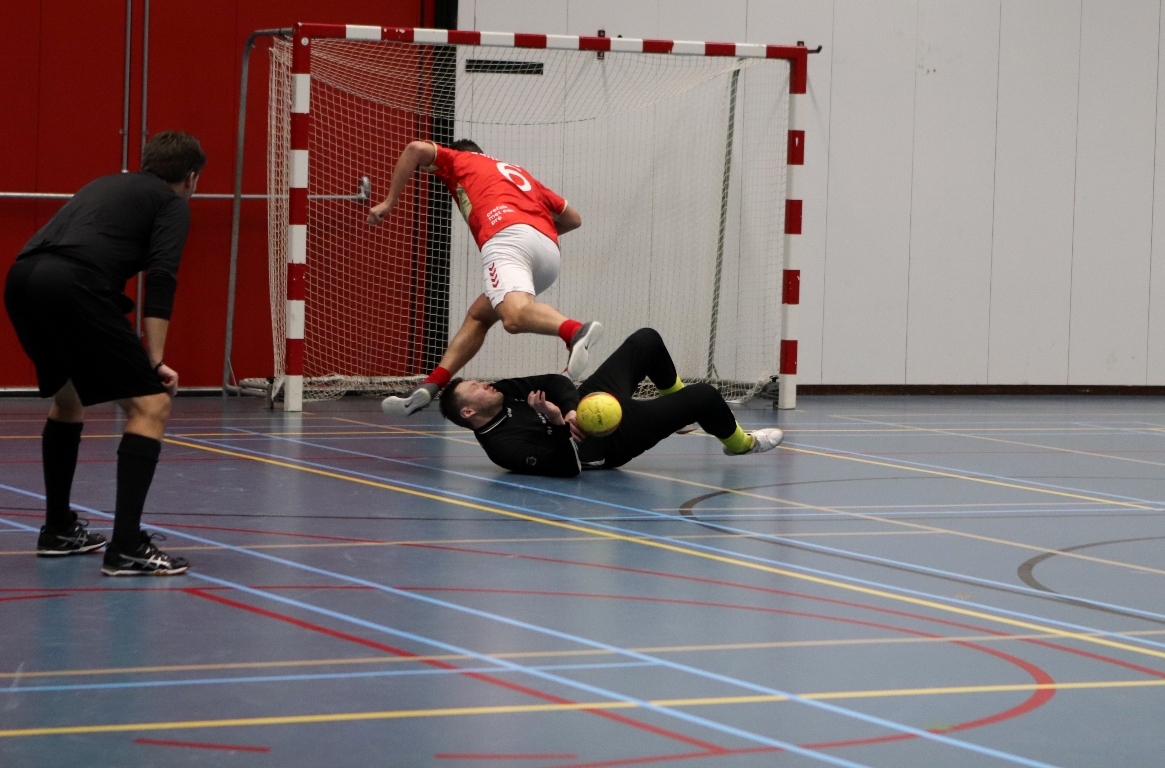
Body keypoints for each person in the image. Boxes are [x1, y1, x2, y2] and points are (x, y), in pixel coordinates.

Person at [3, 131, 206, 576]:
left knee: (69, 399)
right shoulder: (172, 203)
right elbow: (162, 277)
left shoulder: (106, 183)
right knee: (151, 406)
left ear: (148, 163)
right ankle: (127, 547)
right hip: (72, 284)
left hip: (22, 278)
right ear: (191, 178)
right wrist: (155, 359)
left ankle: (58, 530)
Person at [369, 138, 602, 416]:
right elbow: (573, 219)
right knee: (479, 316)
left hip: (506, 239)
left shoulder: (459, 160)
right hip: (548, 252)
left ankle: (575, 331)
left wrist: (389, 202)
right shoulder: (518, 172)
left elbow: (415, 149)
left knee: (514, 318)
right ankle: (431, 385)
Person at [437, 328, 784, 477]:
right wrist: (558, 423)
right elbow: (568, 467)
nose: (484, 384)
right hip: (605, 443)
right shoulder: (502, 448)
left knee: (646, 341)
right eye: (475, 387)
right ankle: (740, 444)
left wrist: (570, 409)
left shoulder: (503, 391)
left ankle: (675, 407)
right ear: (469, 411)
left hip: (587, 404)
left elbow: (555, 381)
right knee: (705, 396)